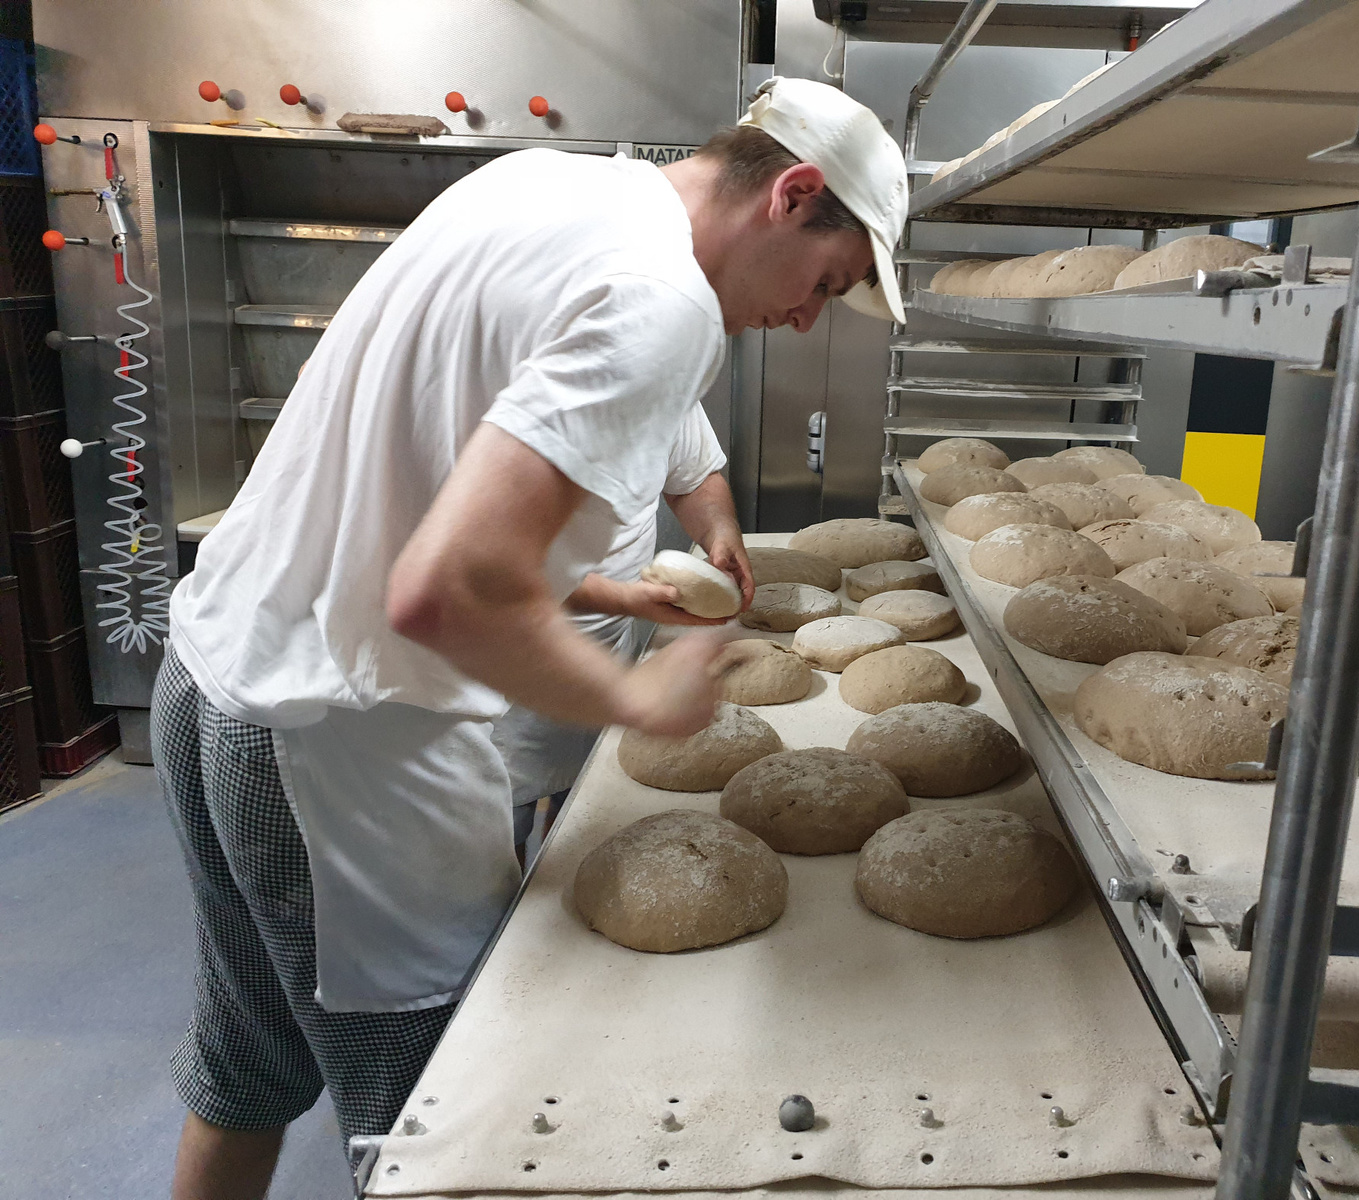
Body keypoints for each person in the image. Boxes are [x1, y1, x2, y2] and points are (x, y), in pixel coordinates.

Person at [151, 76, 908, 1200]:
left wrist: (652, 552)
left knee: (249, 1069)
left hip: (215, 679)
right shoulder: (663, 298)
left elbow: (483, 475)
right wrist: (641, 706)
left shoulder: (546, 188)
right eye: (826, 283)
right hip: (348, 757)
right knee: (447, 1143)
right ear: (795, 196)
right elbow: (442, 596)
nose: (805, 317)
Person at [494, 403, 743, 862]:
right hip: (495, 677)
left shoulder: (666, 367)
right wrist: (622, 599)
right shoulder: (512, 389)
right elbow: (482, 568)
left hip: (610, 654)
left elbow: (692, 477)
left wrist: (721, 531)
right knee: (491, 861)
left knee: (583, 822)